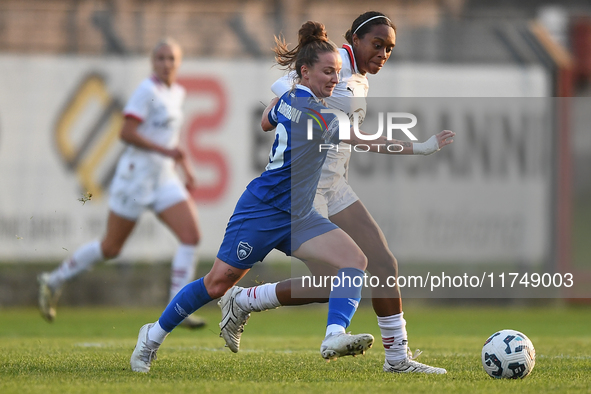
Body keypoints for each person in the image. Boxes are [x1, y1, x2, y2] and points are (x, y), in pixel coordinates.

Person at [219, 11, 451, 374]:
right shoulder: (335, 61)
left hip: (335, 185)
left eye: (389, 49)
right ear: (355, 39)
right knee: (331, 282)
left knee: (384, 264)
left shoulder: (357, 78)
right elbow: (283, 92)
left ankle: (398, 359)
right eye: (377, 44)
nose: (383, 54)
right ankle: (245, 300)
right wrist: (419, 147)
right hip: (305, 188)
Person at [37, 38, 206, 329]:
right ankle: (53, 280)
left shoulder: (176, 92)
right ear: (153, 62)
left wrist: (185, 169)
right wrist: (167, 152)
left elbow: (170, 140)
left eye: (172, 59)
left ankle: (177, 305)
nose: (166, 64)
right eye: (161, 58)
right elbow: (126, 133)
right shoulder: (146, 91)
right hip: (135, 179)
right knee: (111, 247)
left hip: (163, 178)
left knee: (191, 236)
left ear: (178, 64)